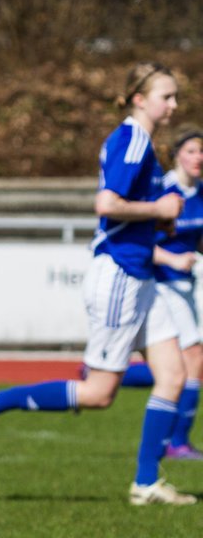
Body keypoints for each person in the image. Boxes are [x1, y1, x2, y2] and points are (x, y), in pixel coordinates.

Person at [0, 62, 195, 506]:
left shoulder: (139, 143)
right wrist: (159, 210)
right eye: (168, 96)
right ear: (141, 99)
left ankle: (145, 484)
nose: (175, 104)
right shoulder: (132, 139)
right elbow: (106, 204)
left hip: (140, 276)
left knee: (175, 375)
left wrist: (158, 223)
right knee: (98, 393)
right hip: (120, 275)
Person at [89, 130, 203, 457]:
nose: (198, 157)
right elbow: (139, 240)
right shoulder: (164, 189)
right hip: (159, 283)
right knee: (191, 357)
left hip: (185, 285)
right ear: (178, 154)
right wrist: (172, 258)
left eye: (202, 151)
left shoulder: (201, 193)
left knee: (177, 366)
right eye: (192, 150)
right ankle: (177, 443)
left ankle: (153, 470)